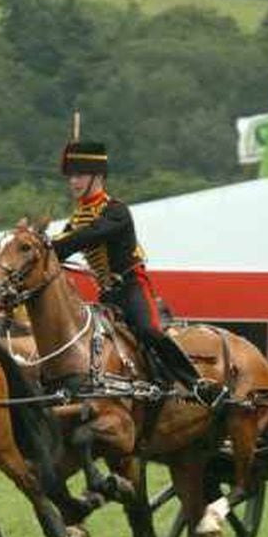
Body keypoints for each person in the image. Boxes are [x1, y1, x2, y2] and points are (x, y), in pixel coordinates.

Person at [51, 140, 222, 404]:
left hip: (132, 286)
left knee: (148, 330)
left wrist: (55, 243)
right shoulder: (77, 217)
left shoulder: (116, 211)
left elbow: (88, 235)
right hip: (107, 294)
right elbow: (59, 251)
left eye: (79, 174)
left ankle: (196, 383)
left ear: (97, 176)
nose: (73, 181)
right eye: (71, 176)